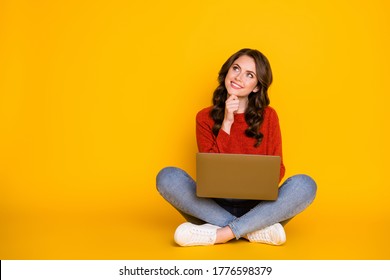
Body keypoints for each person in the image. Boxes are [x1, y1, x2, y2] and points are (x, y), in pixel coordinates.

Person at [156, 48, 317, 246]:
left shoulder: (269, 117)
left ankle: (220, 233)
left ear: (257, 87)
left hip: (259, 206)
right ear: (227, 71)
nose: (239, 77)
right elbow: (211, 171)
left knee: (305, 185)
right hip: (212, 205)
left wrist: (258, 183)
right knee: (167, 177)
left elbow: (278, 169)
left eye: (249, 75)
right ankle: (252, 231)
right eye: (236, 69)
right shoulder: (204, 118)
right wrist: (227, 123)